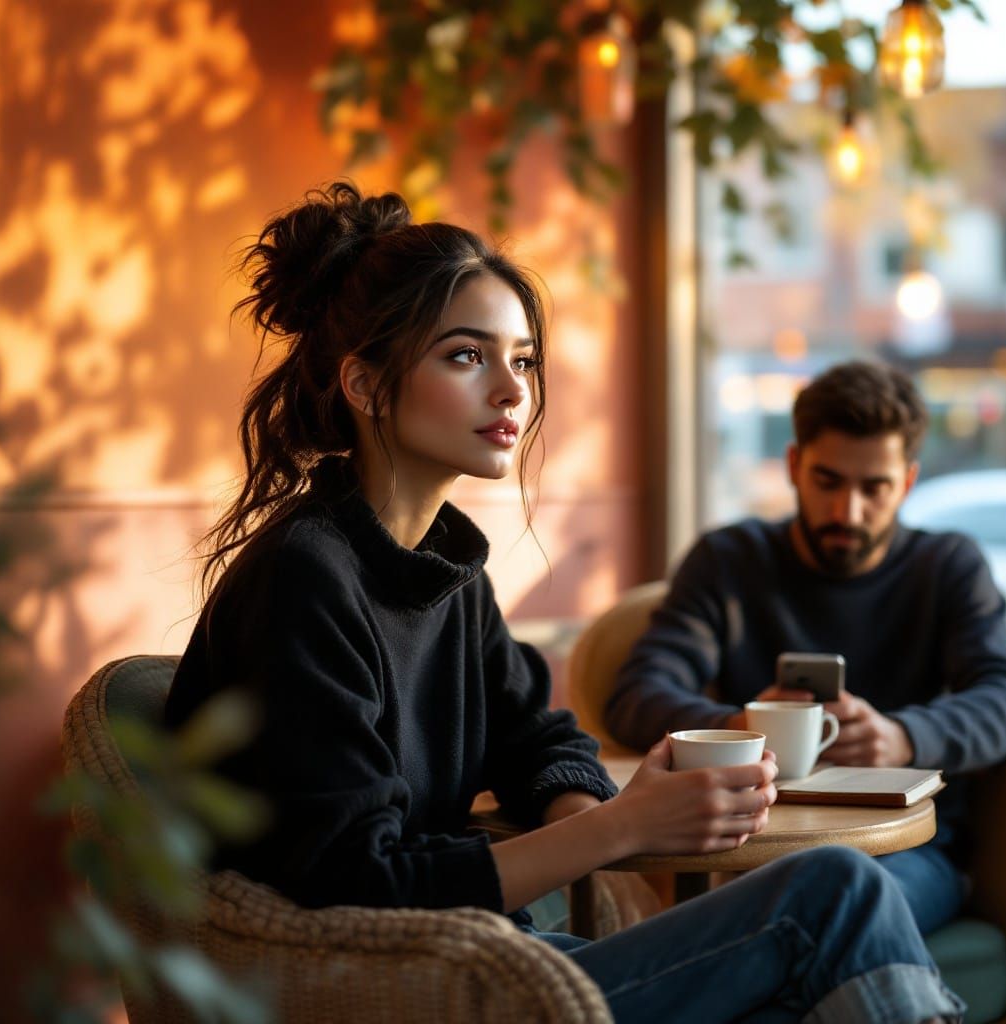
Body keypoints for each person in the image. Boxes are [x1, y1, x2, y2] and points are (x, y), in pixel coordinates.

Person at [165, 184, 963, 1022]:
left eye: (523, 359)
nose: (512, 391)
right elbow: (358, 885)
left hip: (494, 960)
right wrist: (620, 832)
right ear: (364, 384)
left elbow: (537, 735)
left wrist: (601, 808)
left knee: (811, 976)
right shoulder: (306, 577)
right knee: (834, 894)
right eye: (467, 356)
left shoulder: (444, 570)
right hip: (409, 990)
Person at [606, 359, 1006, 936]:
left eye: (874, 488)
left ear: (906, 482)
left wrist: (902, 737)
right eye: (829, 481)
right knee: (810, 916)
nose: (847, 512)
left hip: (906, 854)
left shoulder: (947, 566)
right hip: (751, 850)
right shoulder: (729, 561)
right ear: (795, 466)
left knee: (837, 907)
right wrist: (743, 727)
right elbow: (636, 696)